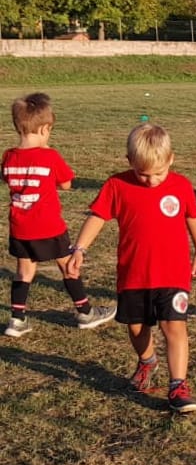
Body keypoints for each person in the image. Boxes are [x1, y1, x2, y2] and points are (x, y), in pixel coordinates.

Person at [67, 124, 196, 413]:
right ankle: (147, 361)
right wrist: (79, 248)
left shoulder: (181, 186)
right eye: (143, 173)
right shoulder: (117, 185)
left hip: (173, 273)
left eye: (158, 173)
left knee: (174, 326)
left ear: (171, 160)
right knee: (136, 327)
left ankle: (178, 385)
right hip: (134, 275)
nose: (152, 180)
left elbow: (193, 217)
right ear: (129, 161)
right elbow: (97, 217)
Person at [2, 92, 115, 338]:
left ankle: (17, 320)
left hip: (20, 228)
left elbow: (8, 178)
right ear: (44, 129)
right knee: (68, 267)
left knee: (24, 271)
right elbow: (66, 184)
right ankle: (85, 312)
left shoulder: (8, 156)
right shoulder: (50, 156)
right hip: (49, 227)